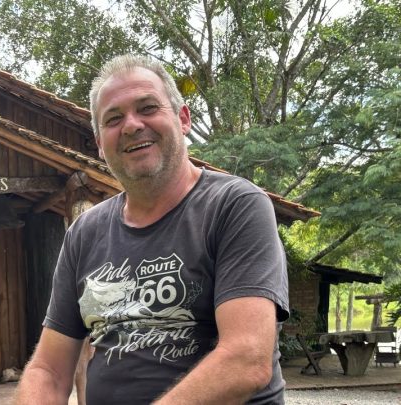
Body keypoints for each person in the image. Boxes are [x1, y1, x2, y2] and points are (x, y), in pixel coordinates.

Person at [15, 54, 289, 404]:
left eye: (147, 108)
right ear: (100, 144)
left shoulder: (234, 205)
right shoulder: (84, 234)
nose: (131, 125)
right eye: (113, 119)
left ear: (183, 119)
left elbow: (246, 359)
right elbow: (48, 370)